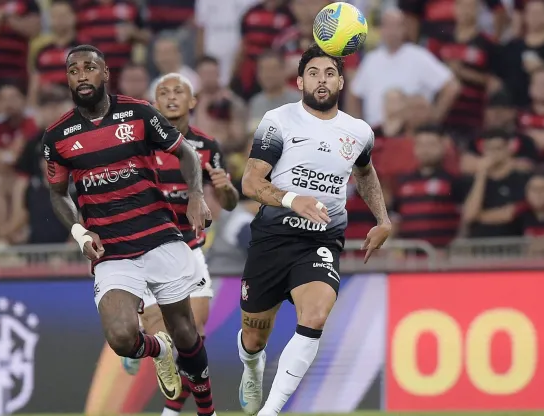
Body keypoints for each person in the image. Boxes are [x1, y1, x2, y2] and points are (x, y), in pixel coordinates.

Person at [42, 44, 217, 413]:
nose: (82, 76)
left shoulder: (138, 113)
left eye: (90, 68)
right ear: (69, 80)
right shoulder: (57, 137)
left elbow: (185, 153)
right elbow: (58, 195)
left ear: (105, 74)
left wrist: (196, 196)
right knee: (122, 338)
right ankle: (158, 349)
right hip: (112, 250)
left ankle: (207, 410)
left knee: (187, 333)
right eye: (74, 71)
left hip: (159, 237)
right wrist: (79, 231)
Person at [237, 44, 392, 416]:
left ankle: (269, 412)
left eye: (328, 74)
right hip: (273, 238)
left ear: (340, 81)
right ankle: (252, 366)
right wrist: (293, 200)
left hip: (321, 240)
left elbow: (365, 172)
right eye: (313, 74)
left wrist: (383, 220)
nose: (320, 81)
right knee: (255, 335)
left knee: (316, 315)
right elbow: (250, 182)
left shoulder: (358, 132)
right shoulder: (278, 121)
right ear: (300, 81)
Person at [120, 72, 239, 416]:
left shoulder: (206, 146)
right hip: (148, 251)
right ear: (155, 104)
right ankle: (143, 341)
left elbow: (229, 202)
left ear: (193, 101)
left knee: (194, 338)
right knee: (169, 342)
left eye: (179, 92)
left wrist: (225, 187)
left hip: (189, 251)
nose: (171, 97)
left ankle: (174, 412)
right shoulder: (139, 145)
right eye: (163, 93)